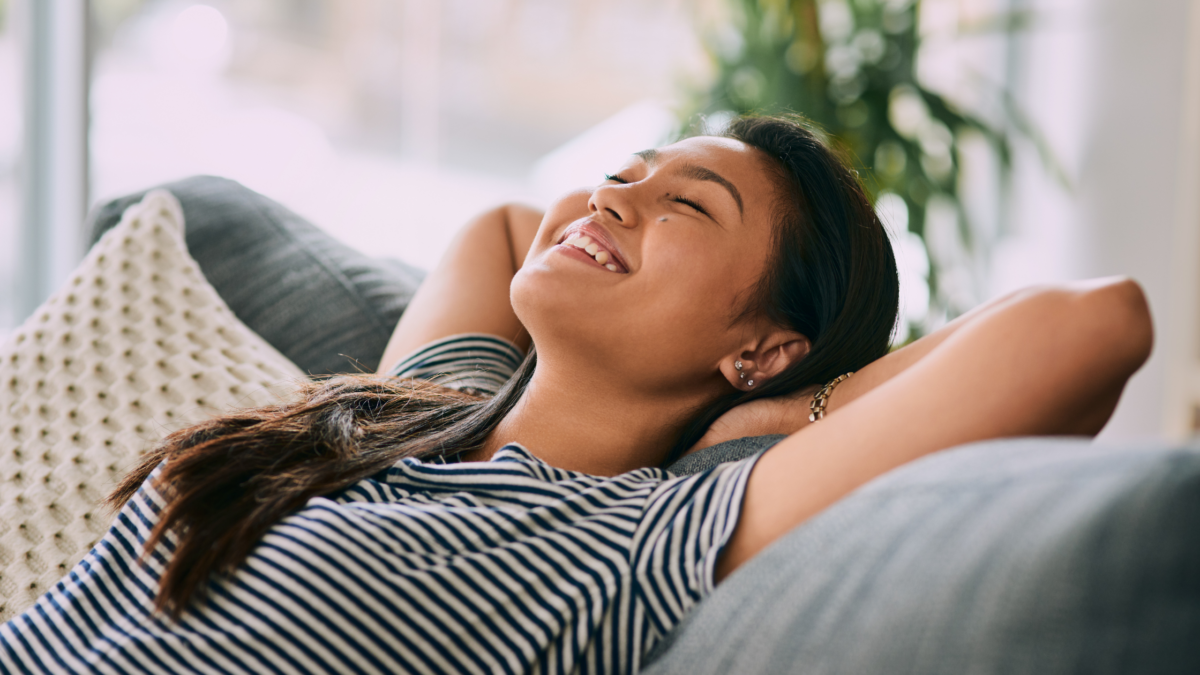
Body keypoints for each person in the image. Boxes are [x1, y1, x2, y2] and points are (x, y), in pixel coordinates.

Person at [0, 115, 1152, 674]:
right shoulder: (428, 405)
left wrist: (781, 416)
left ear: (760, 346)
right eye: (621, 173)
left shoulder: (639, 539)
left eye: (687, 205)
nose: (614, 199)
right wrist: (620, 225)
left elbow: (1088, 328)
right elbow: (505, 226)